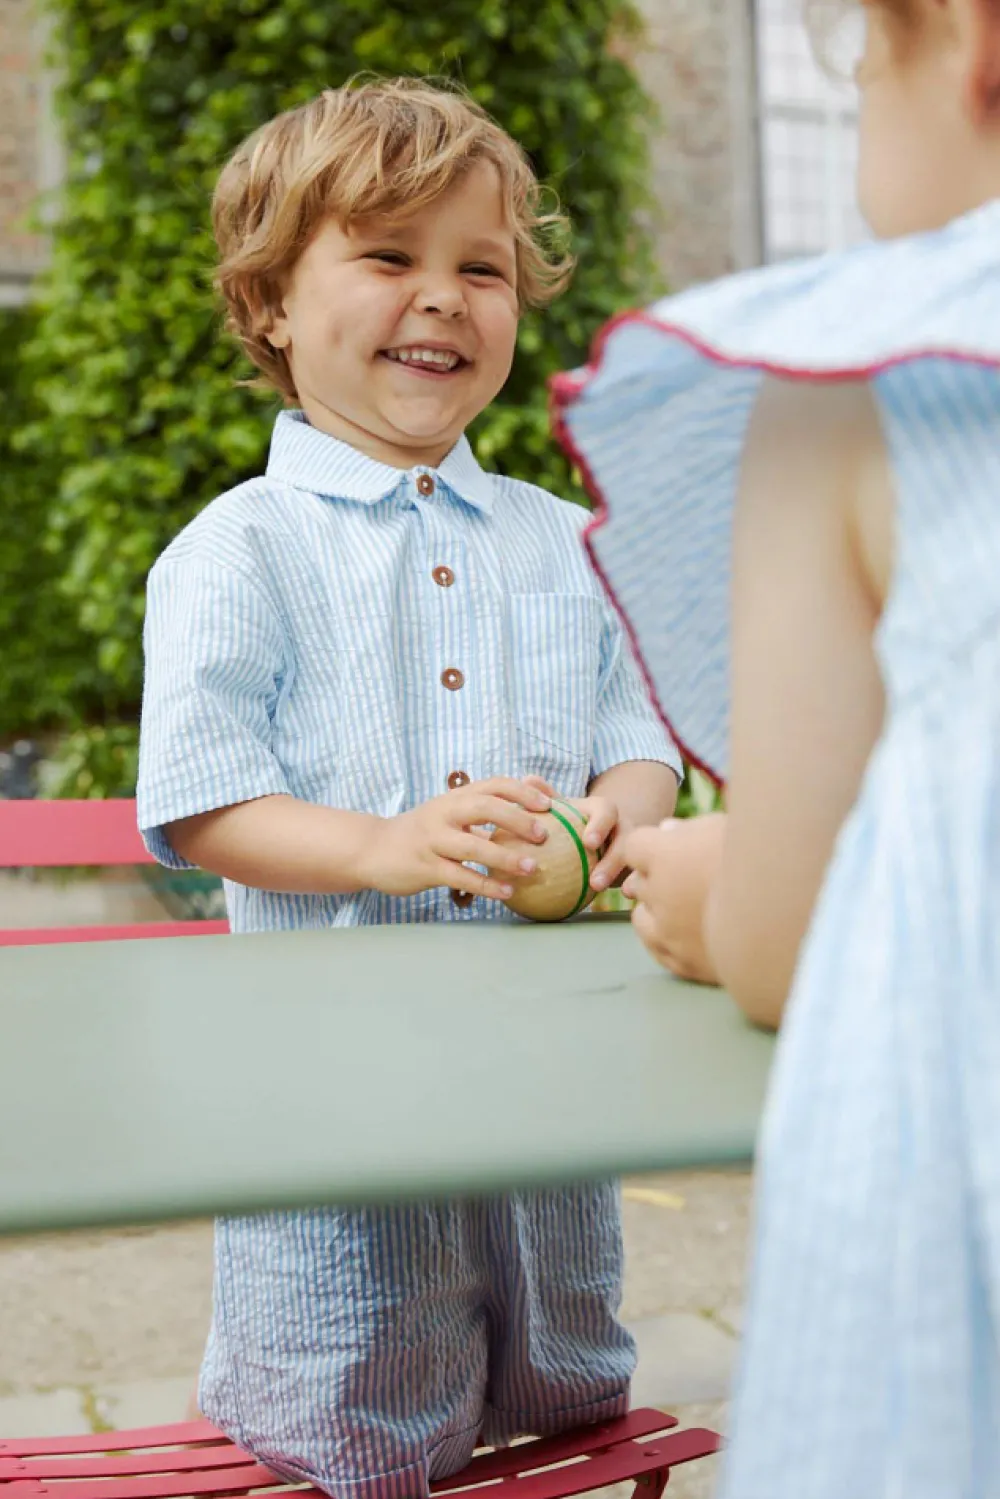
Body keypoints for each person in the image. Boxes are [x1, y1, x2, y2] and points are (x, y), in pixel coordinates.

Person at [136, 78, 680, 1499]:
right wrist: (383, 845)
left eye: (480, 269)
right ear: (270, 302)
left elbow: (641, 737)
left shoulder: (570, 541)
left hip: (547, 1088)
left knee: (557, 1359)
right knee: (349, 1391)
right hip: (338, 1094)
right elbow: (203, 795)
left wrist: (616, 819)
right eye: (388, 256)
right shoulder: (238, 550)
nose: (441, 296)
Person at [552, 0, 1000, 1491]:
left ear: (970, 42)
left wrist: (709, 877)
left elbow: (785, 934)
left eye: (857, 59)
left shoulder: (857, 387)